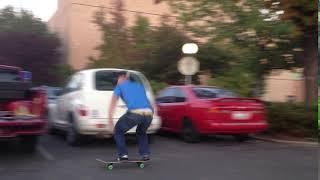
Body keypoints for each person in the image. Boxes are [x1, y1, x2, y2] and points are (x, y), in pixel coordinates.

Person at [108, 71, 154, 161]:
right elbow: (147, 101)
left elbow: (113, 103)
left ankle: (123, 155)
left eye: (117, 79)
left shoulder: (119, 86)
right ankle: (145, 154)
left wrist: (110, 120)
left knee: (118, 131)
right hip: (149, 113)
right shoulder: (139, 85)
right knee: (141, 132)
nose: (116, 81)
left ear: (122, 77)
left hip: (135, 113)